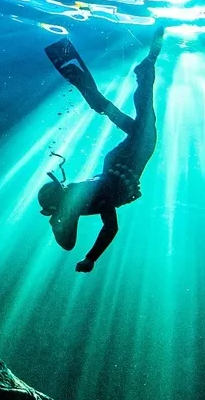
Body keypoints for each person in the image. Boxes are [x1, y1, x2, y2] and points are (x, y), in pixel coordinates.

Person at [38, 27, 165, 273]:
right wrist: (90, 257)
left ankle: (147, 64)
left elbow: (102, 229)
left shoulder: (80, 200)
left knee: (139, 111)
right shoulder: (79, 202)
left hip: (130, 156)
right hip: (127, 158)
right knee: (128, 110)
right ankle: (145, 67)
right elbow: (87, 235)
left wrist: (90, 256)